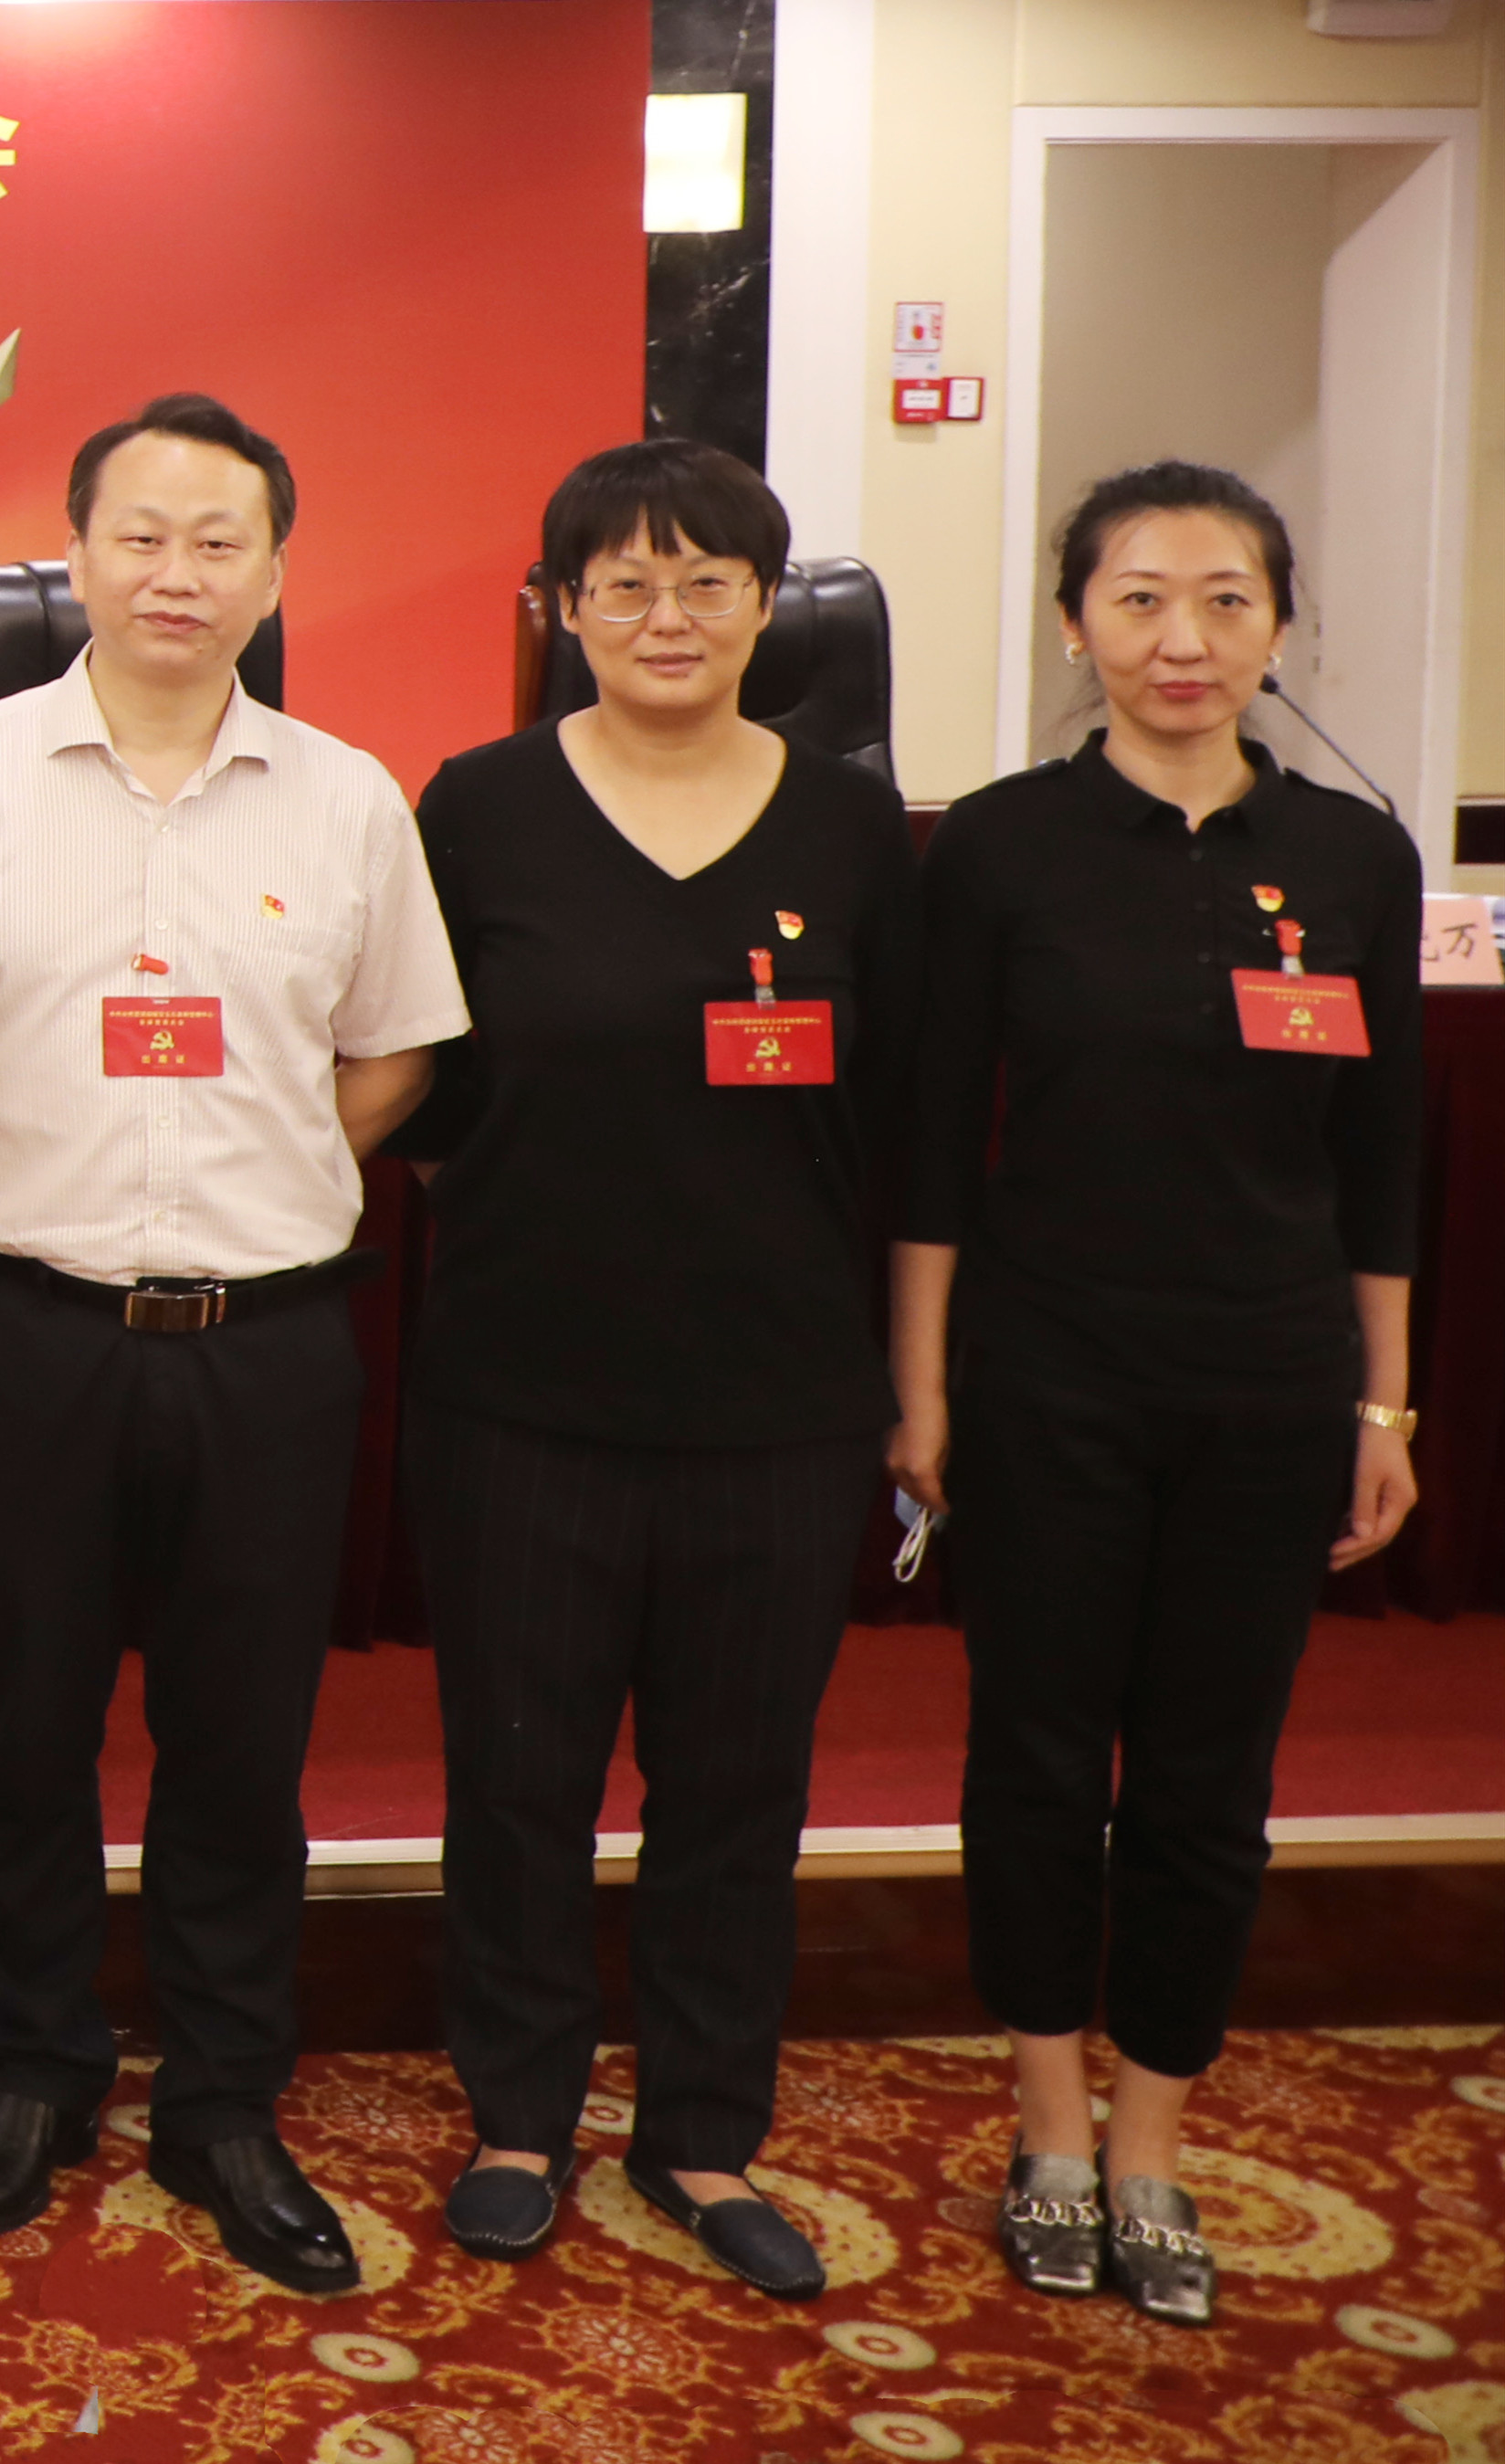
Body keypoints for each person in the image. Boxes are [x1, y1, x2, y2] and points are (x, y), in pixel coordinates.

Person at [0, 394, 461, 2296]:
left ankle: (223, 2099)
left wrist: (264, 1164)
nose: (176, 574)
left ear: (276, 573)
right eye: (139, 535)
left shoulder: (348, 797)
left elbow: (394, 1050)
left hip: (268, 1342)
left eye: (220, 542)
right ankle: (37, 2068)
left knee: (241, 1744)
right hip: (24, 1326)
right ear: (72, 557)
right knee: (23, 1726)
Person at [892, 461, 1426, 2327]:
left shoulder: (1356, 856)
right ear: (1076, 627)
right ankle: (1048, 2126)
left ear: (1277, 625)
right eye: (1138, 599)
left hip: (1272, 1382)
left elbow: (1382, 1155)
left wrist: (1385, 1406)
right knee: (1038, 1759)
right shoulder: (1001, 848)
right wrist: (922, 1388)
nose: (1182, 638)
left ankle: (1150, 2147)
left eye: (1224, 599)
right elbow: (937, 1145)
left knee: (1211, 1781)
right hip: (1050, 1370)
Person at [391, 441, 916, 2300]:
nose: (666, 615)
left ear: (771, 608)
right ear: (562, 610)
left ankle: (702, 2129)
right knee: (515, 1776)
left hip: (778, 1400)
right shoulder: (480, 806)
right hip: (523, 1389)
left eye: (708, 582)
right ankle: (518, 2114)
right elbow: (427, 1092)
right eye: (623, 583)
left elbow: (904, 1120)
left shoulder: (854, 828)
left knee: (737, 1788)